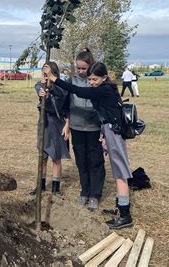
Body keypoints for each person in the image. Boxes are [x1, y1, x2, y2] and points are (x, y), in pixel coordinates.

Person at [43, 62, 134, 229]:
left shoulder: (104, 89)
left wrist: (54, 78)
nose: (91, 82)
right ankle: (120, 208)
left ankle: (125, 215)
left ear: (104, 78)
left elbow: (79, 91)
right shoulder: (106, 88)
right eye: (90, 79)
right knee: (117, 171)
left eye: (94, 79)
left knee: (120, 173)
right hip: (108, 130)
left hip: (114, 131)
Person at [63, 49, 104, 211]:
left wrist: (102, 127)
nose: (80, 71)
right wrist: (67, 123)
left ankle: (95, 194)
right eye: (78, 68)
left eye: (83, 68)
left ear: (90, 66)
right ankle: (84, 191)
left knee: (95, 161)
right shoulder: (71, 81)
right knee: (81, 161)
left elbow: (103, 105)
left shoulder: (96, 80)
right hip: (77, 127)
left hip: (94, 127)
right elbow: (66, 103)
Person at [31, 61, 70, 195]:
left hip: (56, 123)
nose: (44, 74)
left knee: (56, 156)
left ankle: (55, 188)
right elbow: (38, 89)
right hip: (44, 122)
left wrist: (50, 87)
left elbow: (63, 96)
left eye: (47, 72)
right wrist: (42, 91)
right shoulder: (39, 85)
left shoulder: (61, 88)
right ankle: (40, 186)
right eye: (43, 71)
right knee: (42, 156)